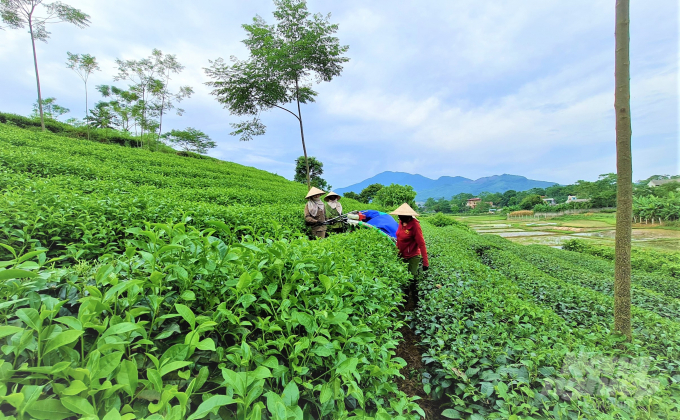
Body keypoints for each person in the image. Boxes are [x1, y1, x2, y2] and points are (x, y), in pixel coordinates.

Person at [390, 203, 429, 302]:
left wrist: (425, 262)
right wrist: (396, 251)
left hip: (413, 255)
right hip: (401, 254)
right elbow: (399, 238)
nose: (399, 217)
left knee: (412, 277)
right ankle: (405, 298)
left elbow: (422, 244)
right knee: (403, 277)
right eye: (399, 215)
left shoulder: (415, 225)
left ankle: (415, 298)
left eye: (401, 216)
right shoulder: (400, 222)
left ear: (408, 216)